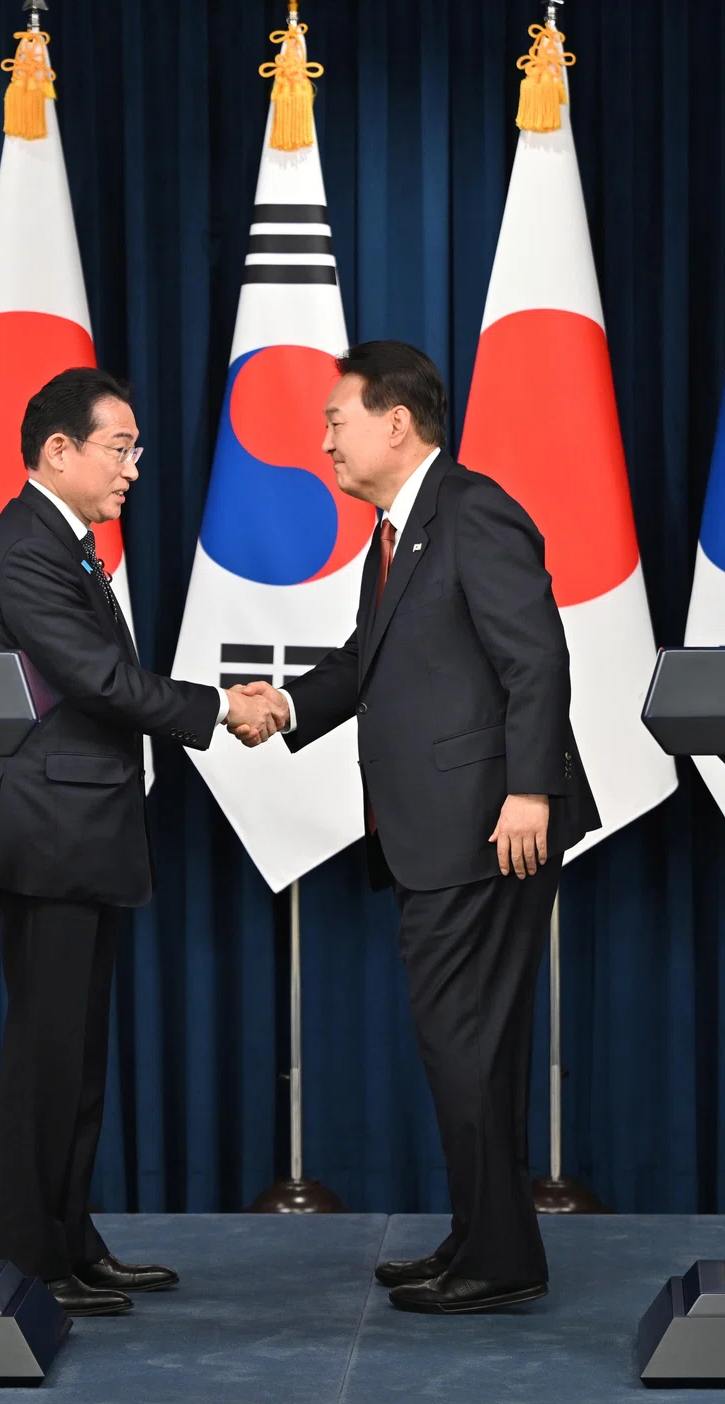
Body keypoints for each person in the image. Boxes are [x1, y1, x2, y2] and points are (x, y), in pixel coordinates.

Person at [232, 341, 600, 1314]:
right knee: (468, 1047)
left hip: (489, 830)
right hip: (441, 834)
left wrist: (530, 790)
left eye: (335, 421)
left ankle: (498, 1257)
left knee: (464, 1044)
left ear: (396, 423)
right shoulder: (400, 532)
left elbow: (538, 658)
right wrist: (287, 706)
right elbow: (368, 658)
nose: (324, 443)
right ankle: (485, 1241)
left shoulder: (472, 510)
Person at [0, 366, 279, 1317]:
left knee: (77, 1053)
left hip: (78, 829)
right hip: (48, 830)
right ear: (60, 450)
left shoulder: (62, 542)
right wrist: (220, 709)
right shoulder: (27, 551)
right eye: (121, 447)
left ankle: (69, 1242)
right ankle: (28, 1258)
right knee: (47, 1055)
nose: (134, 468)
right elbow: (98, 678)